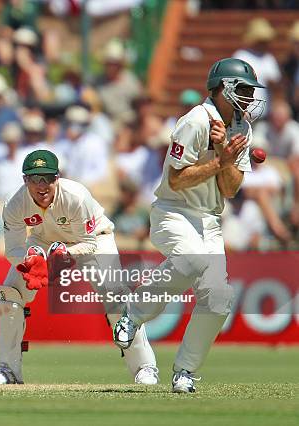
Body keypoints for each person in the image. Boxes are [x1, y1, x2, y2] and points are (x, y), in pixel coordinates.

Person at [112, 58, 264, 393]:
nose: (251, 96)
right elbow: (177, 180)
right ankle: (133, 314)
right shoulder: (195, 121)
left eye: (252, 90)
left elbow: (230, 188)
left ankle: (185, 372)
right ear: (223, 89)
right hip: (173, 211)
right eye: (244, 89)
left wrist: (224, 151)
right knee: (190, 260)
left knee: (220, 297)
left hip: (210, 219)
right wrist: (219, 160)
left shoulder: (242, 127)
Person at [0, 149, 158, 385]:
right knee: (8, 296)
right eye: (35, 179)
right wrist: (29, 261)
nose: (41, 185)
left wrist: (63, 253)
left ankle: (145, 367)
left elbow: (88, 243)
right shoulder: (14, 203)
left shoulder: (76, 195)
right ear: (25, 180)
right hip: (44, 241)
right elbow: (12, 250)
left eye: (47, 178)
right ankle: (8, 370)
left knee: (116, 296)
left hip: (93, 240)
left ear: (58, 177)